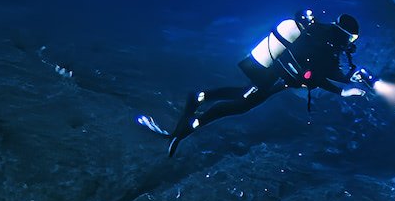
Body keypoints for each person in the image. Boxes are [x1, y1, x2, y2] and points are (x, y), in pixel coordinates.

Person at [137, 11, 370, 155]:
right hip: (274, 75)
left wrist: (348, 80)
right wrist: (342, 91)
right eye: (351, 38)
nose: (350, 43)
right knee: (241, 104)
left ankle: (199, 97)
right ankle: (184, 129)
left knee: (243, 95)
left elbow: (326, 71)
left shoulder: (319, 34)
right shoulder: (324, 46)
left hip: (275, 72)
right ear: (344, 35)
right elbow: (320, 75)